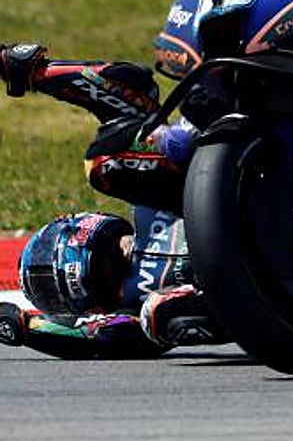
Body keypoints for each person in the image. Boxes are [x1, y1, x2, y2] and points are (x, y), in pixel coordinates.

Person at [0, 43, 223, 359]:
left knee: (104, 162)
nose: (51, 275)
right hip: (256, 285)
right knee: (159, 317)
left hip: (257, 181)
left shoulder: (146, 196)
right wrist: (20, 324)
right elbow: (93, 337)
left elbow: (134, 87)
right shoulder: (134, 309)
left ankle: (30, 70)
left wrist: (33, 73)